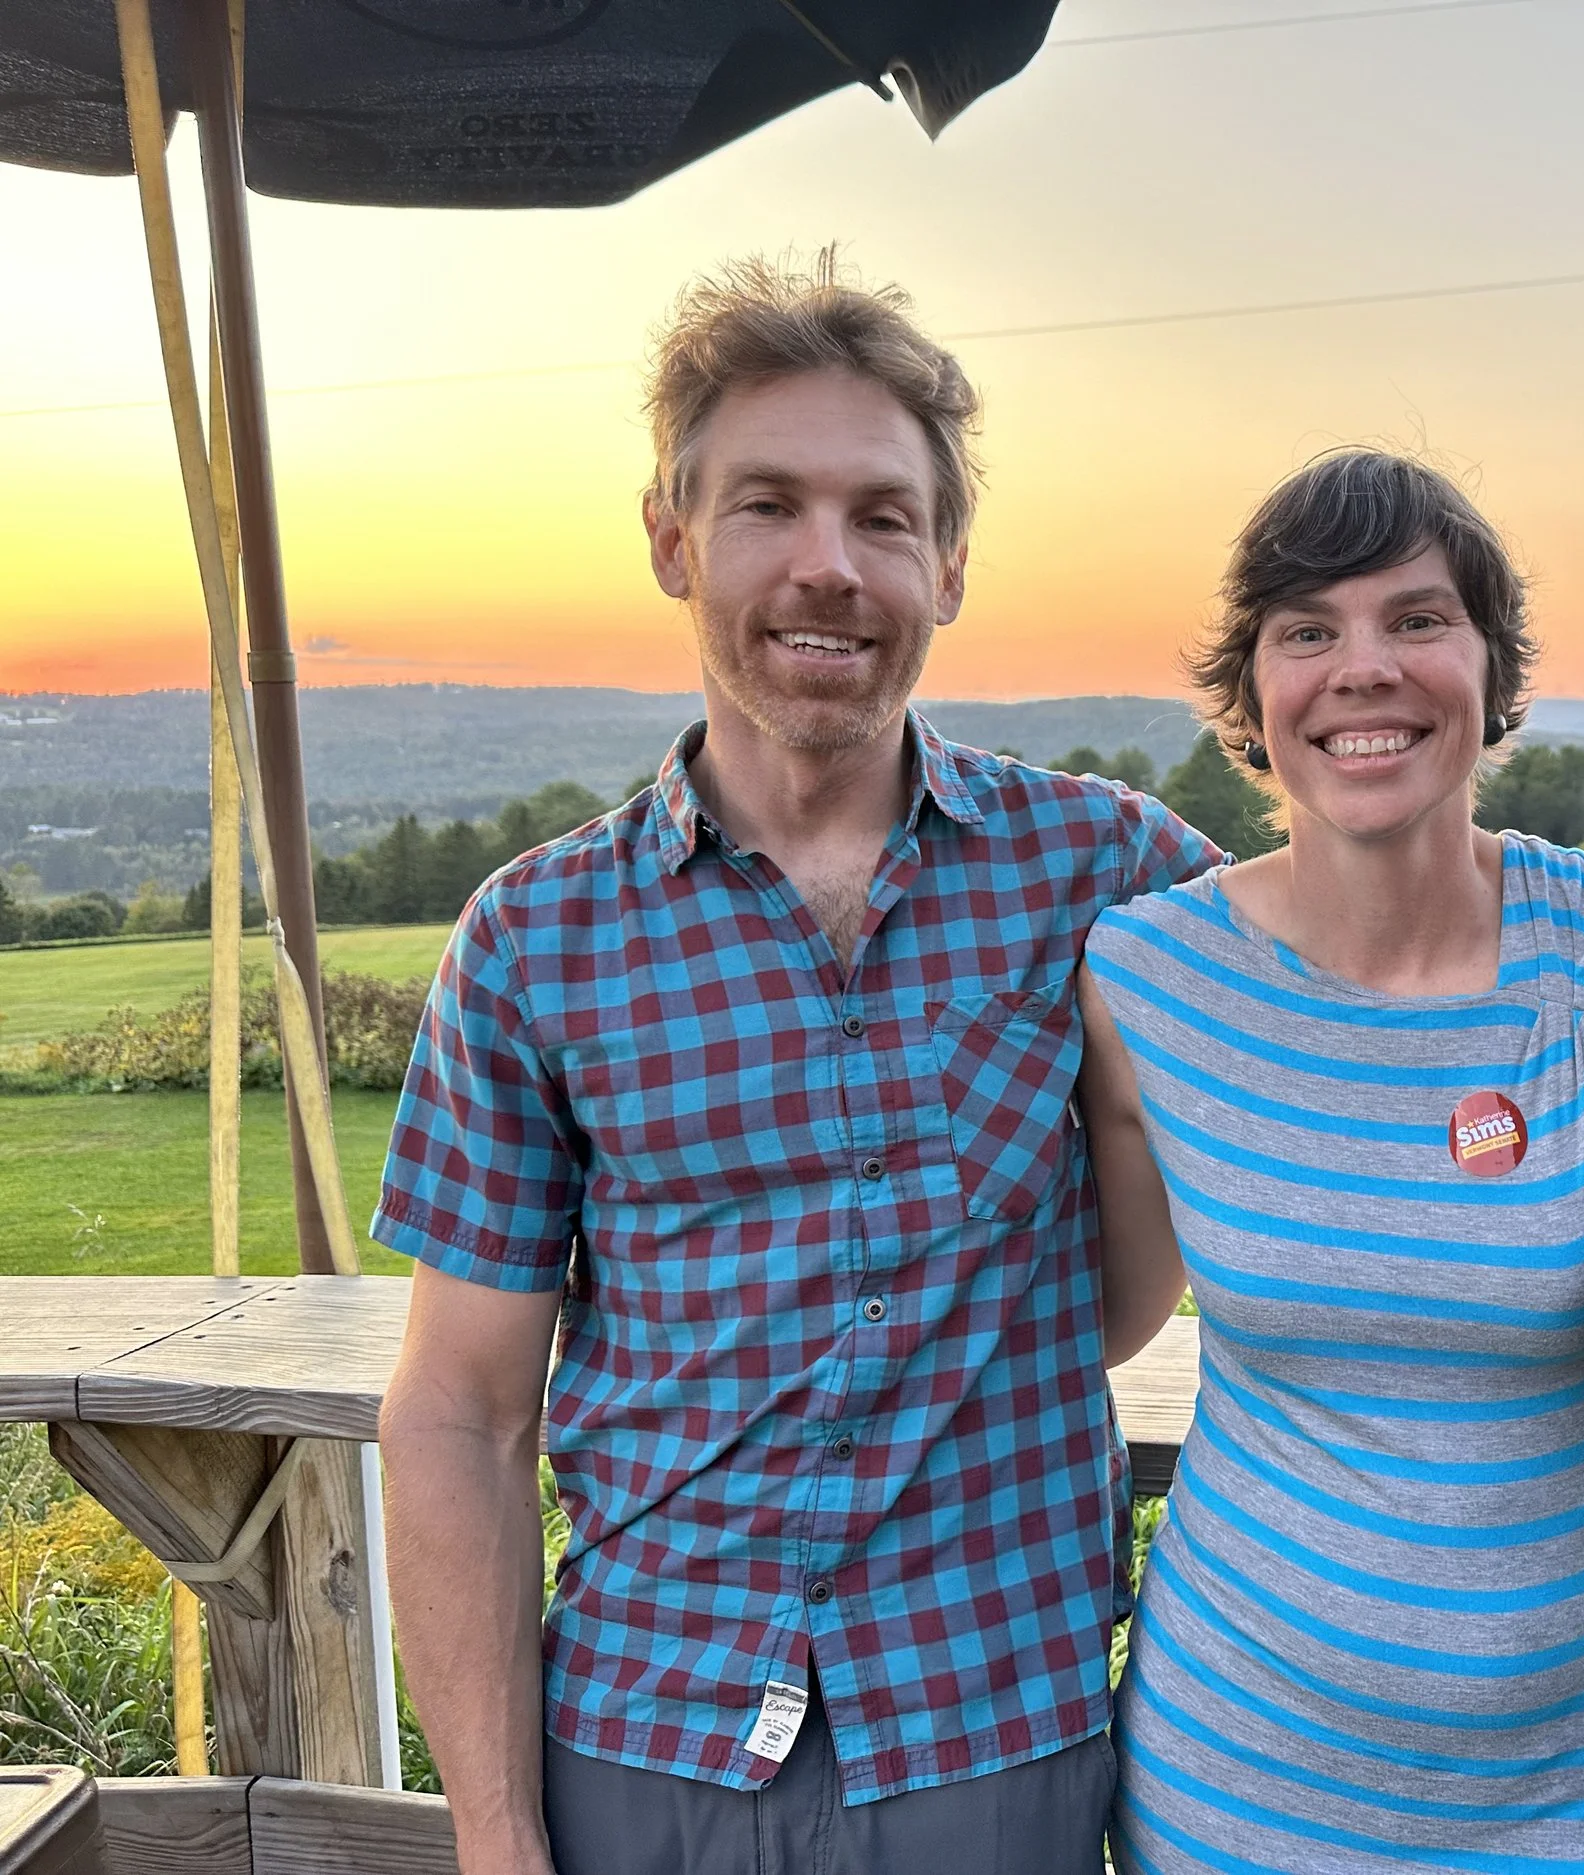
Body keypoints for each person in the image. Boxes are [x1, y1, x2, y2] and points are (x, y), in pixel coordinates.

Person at [374, 253, 1225, 1875]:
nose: (828, 566)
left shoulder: (1115, 874)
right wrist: (493, 1834)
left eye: (883, 517)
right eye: (768, 504)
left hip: (993, 1731)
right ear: (672, 538)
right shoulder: (535, 940)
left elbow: (1392, 935)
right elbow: (459, 1411)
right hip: (646, 1740)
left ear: (952, 564)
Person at [1076, 449, 1584, 1874]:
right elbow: (1114, 1314)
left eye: (1418, 620)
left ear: (1495, 675)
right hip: (1233, 1784)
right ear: (1254, 696)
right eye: (1308, 630)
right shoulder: (1145, 983)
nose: (1363, 665)